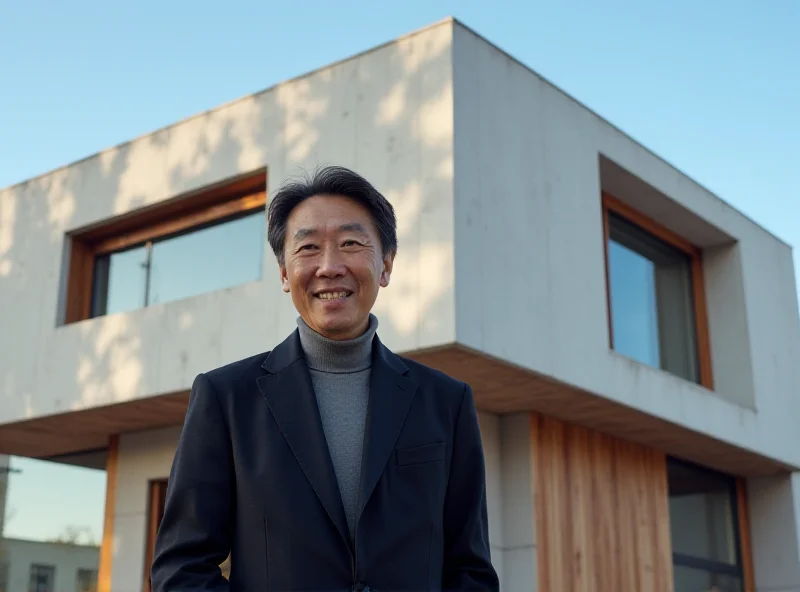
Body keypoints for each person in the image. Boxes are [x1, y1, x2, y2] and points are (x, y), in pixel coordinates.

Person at [150, 165, 499, 591]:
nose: (330, 266)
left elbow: (471, 571)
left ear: (386, 265)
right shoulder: (226, 398)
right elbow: (181, 569)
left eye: (351, 243)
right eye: (309, 247)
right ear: (283, 273)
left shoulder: (447, 402)